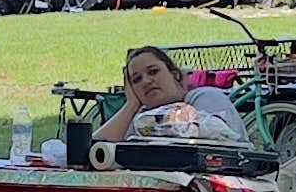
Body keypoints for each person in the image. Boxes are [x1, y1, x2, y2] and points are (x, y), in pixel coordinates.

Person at [94, 44, 250, 145]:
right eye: (136, 79)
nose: (146, 81)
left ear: (174, 74)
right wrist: (131, 105)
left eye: (153, 71)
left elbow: (211, 136)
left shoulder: (204, 97)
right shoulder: (142, 118)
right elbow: (94, 147)